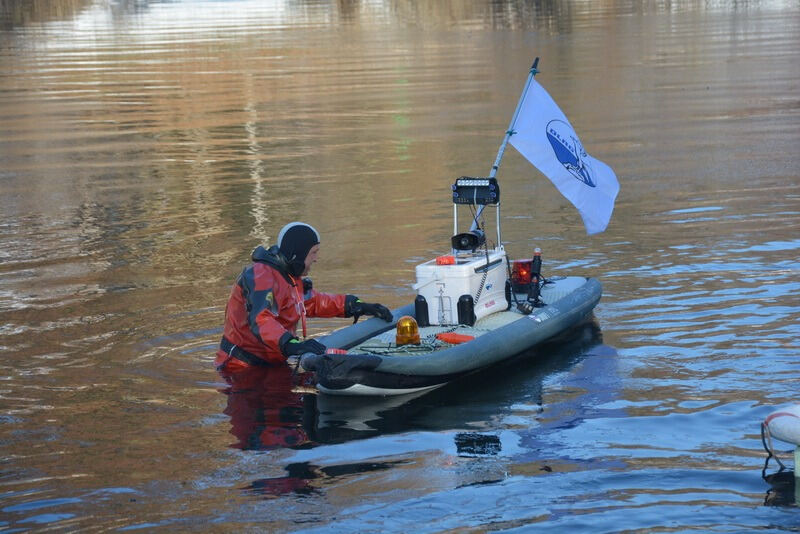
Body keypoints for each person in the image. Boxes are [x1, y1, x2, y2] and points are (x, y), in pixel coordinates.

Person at [215, 221, 393, 373]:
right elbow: (261, 319)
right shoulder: (261, 276)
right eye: (313, 253)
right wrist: (292, 344)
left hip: (272, 363)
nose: (316, 259)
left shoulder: (290, 277)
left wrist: (357, 305)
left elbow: (313, 302)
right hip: (241, 370)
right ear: (298, 254)